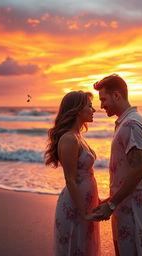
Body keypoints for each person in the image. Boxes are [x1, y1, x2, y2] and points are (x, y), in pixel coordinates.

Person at [92, 74, 142, 256]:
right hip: (124, 203)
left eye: (103, 99)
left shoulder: (131, 124)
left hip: (132, 205)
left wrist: (111, 204)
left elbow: (138, 169)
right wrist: (111, 202)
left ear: (116, 95)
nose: (101, 105)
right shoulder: (126, 121)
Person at [44, 91, 101, 256]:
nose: (94, 110)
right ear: (77, 110)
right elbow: (70, 180)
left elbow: (86, 174)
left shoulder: (78, 136)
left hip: (84, 203)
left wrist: (96, 201)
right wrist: (84, 212)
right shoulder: (69, 139)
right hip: (75, 207)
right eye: (89, 106)